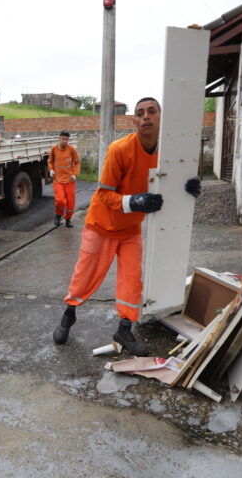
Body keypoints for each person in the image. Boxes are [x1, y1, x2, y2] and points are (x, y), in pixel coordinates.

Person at [52, 97, 202, 356]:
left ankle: (124, 329)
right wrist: (135, 201)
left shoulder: (167, 155)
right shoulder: (119, 150)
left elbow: (175, 181)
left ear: (159, 118)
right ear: (134, 121)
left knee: (132, 279)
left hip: (130, 229)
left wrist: (190, 187)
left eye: (151, 112)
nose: (146, 117)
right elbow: (104, 193)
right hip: (101, 225)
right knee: (85, 276)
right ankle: (69, 314)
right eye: (140, 113)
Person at [48, 130, 81, 228]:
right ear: (59, 138)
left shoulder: (72, 150)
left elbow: (77, 163)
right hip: (58, 179)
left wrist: (75, 174)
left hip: (70, 180)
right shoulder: (54, 149)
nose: (65, 141)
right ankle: (58, 216)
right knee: (60, 200)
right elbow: (50, 161)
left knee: (70, 202)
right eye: (63, 139)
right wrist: (51, 170)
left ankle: (68, 219)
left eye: (67, 139)